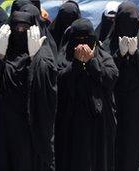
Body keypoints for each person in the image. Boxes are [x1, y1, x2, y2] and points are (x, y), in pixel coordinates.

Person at [0, 11, 57, 170]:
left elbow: (48, 86)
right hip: (5, 127)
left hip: (30, 126)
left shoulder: (42, 52)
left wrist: (35, 58)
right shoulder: (4, 51)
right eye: (17, 28)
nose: (20, 32)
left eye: (25, 28)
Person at [55, 18, 119, 171]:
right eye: (78, 40)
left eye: (87, 40)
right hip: (72, 122)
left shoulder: (103, 57)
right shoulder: (63, 57)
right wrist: (76, 65)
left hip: (99, 123)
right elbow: (58, 81)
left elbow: (111, 78)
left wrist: (91, 62)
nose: (82, 45)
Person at [102, 2, 139, 170]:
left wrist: (136, 55)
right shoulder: (111, 41)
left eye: (132, 23)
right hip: (118, 101)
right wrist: (119, 55)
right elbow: (106, 69)